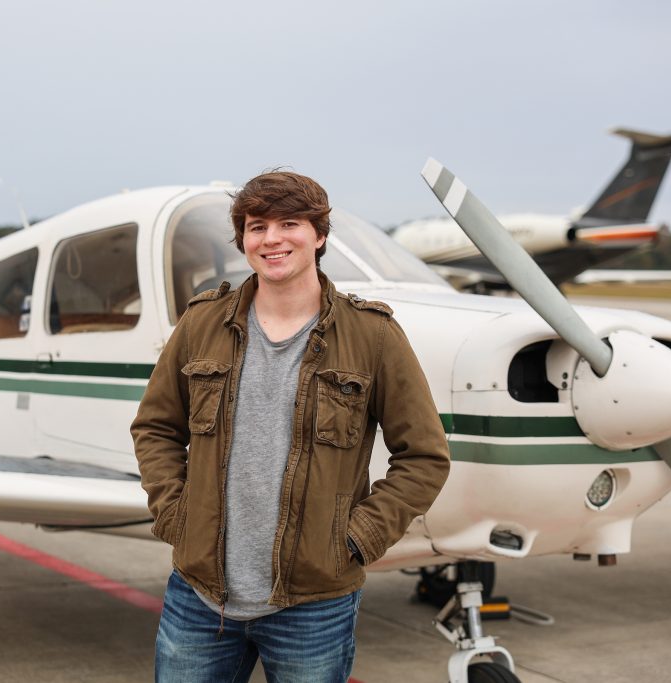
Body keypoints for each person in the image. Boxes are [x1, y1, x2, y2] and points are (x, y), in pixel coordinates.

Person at [131, 171, 450, 682]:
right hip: (199, 596)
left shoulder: (374, 336)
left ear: (319, 235)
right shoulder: (201, 324)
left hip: (314, 605)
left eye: (289, 223)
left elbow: (425, 457)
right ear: (243, 240)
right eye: (257, 227)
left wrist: (356, 539)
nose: (272, 239)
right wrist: (175, 516)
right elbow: (155, 428)